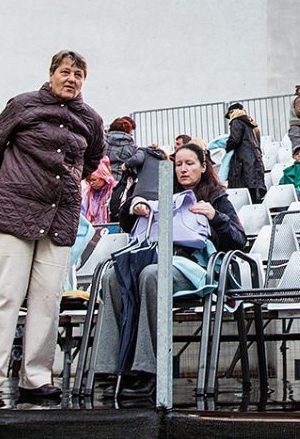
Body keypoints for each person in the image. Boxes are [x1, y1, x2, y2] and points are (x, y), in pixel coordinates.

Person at [0, 50, 104, 404]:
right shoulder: (23, 105)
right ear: (51, 74)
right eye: (65, 71)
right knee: (6, 295)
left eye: (78, 74)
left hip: (59, 215)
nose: (71, 79)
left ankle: (37, 376)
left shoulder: (90, 119)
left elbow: (92, 161)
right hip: (16, 211)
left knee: (47, 299)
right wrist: (5, 192)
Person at [94, 142, 247, 398]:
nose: (183, 170)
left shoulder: (216, 197)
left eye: (190, 164)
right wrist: (134, 208)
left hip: (193, 267)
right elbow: (127, 221)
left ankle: (147, 370)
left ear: (203, 166)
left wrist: (214, 217)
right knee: (112, 276)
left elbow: (238, 240)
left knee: (152, 275)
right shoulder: (162, 192)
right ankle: (112, 367)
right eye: (178, 165)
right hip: (157, 257)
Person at [225, 103, 266, 204]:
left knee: (244, 194)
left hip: (243, 162)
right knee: (255, 193)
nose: (229, 117)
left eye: (230, 114)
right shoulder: (252, 125)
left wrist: (225, 148)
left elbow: (235, 140)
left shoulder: (236, 121)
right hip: (255, 160)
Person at [81, 157, 116, 224]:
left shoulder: (114, 189)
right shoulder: (86, 192)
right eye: (89, 181)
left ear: (103, 177)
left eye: (93, 180)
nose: (91, 183)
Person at [105, 116, 138, 183]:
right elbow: (135, 165)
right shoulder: (131, 147)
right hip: (121, 182)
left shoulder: (101, 143)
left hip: (102, 179)